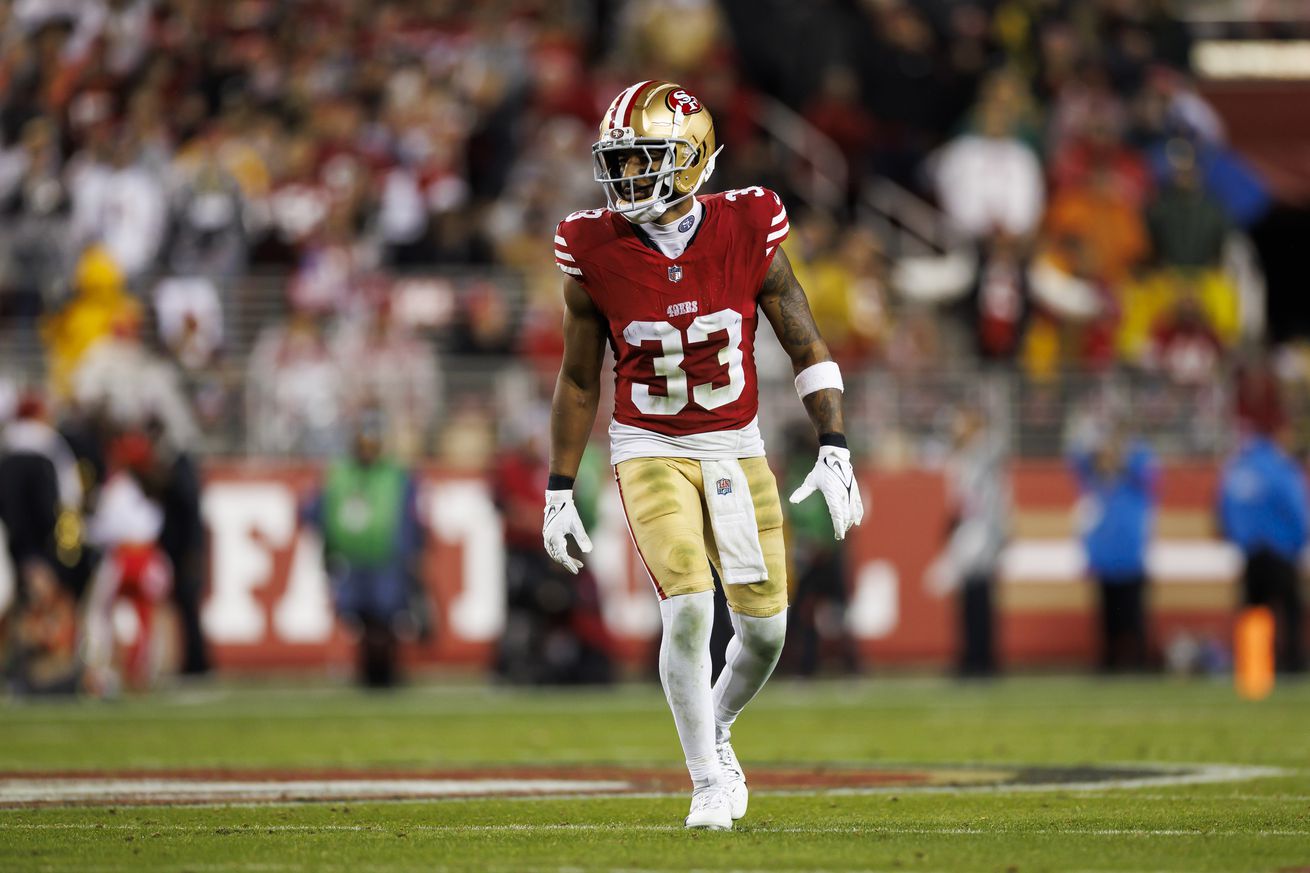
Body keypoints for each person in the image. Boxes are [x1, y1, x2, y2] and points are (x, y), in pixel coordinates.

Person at [542, 81, 863, 830]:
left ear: (691, 158)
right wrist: (559, 486)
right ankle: (706, 779)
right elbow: (580, 378)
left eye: (642, 159)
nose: (625, 176)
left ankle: (717, 727)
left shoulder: (748, 223)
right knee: (687, 604)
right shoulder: (592, 246)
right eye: (619, 161)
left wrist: (836, 445)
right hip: (648, 445)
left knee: (766, 633)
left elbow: (805, 342)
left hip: (736, 446)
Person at [306, 417, 425, 688]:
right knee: (360, 616)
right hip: (351, 557)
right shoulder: (339, 474)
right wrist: (330, 545)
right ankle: (368, 671)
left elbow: (411, 517)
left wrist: (412, 552)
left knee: (386, 615)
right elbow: (315, 510)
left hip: (386, 557)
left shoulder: (395, 475)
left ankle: (386, 671)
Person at [927, 403, 1010, 677]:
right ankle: (971, 656)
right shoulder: (964, 458)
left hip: (982, 531)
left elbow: (982, 497)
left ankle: (982, 658)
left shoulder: (982, 453)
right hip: (969, 532)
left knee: (980, 597)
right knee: (968, 599)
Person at [1218, 421, 1308, 674]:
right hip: (1282, 552)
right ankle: (1292, 664)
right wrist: (1298, 542)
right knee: (1289, 610)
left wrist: (1241, 540)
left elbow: (1225, 510)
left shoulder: (1239, 469)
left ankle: (1255, 668)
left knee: (1253, 610)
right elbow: (1296, 508)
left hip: (1251, 553)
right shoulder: (1281, 468)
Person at [1070, 430, 1158, 672]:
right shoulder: (1095, 487)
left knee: (1133, 618)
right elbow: (1075, 457)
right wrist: (1094, 439)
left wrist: (1125, 445)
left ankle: (1138, 662)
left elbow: (1147, 465)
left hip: (1131, 563)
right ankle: (1109, 663)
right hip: (1105, 565)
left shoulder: (1135, 487)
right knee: (1108, 620)